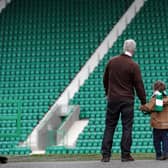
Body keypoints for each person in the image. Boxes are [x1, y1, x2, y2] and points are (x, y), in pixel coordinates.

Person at [101, 39, 146, 162]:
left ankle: (106, 155)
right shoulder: (133, 65)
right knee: (127, 127)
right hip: (127, 100)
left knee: (110, 126)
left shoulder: (112, 61)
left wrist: (107, 93)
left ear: (123, 48)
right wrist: (143, 101)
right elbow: (139, 85)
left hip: (113, 99)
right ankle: (125, 155)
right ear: (133, 49)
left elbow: (105, 79)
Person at [140, 80, 168, 160]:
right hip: (166, 124)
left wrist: (141, 107)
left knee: (157, 140)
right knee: (165, 139)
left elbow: (148, 108)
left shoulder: (155, 98)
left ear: (155, 88)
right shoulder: (166, 97)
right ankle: (166, 152)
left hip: (157, 124)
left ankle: (159, 155)